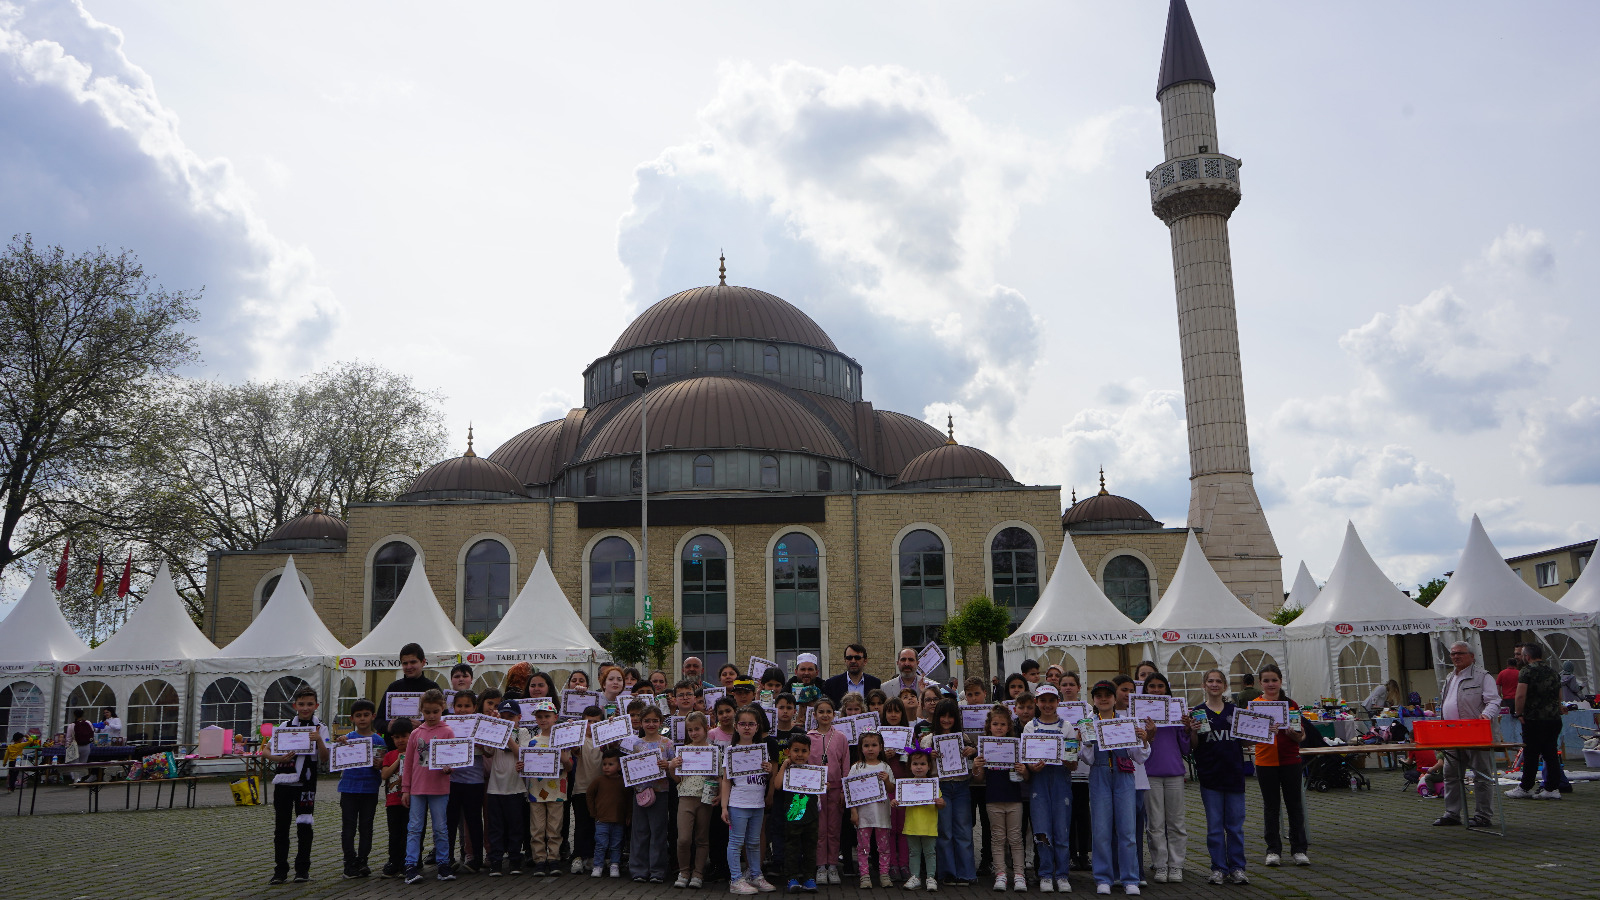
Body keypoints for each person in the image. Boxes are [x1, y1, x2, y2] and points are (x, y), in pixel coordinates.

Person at [1084, 679, 1149, 895]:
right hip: (1100, 775)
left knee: (1127, 829)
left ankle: (1130, 878)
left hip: (1124, 776)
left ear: (1114, 698)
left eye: (1107, 695)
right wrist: (1084, 741)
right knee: (1101, 830)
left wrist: (1144, 740)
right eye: (1099, 695)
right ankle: (1104, 878)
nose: (1103, 699)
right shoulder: (1088, 723)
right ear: (1093, 699)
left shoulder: (1128, 722)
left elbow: (1138, 757)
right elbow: (1087, 759)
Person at [1186, 670, 1247, 886]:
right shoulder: (1197, 712)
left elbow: (1247, 743)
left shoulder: (1235, 711)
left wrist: (1264, 730)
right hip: (1210, 775)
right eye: (1210, 681)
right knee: (1214, 827)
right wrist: (1192, 731)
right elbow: (1193, 746)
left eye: (1218, 681)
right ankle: (1219, 868)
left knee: (1235, 826)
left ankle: (1238, 867)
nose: (1214, 684)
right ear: (1204, 685)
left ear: (1225, 686)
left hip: (1234, 775)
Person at [269, 685, 331, 884]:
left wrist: (319, 740)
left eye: (310, 704)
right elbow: (266, 751)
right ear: (295, 705)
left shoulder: (320, 727)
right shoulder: (284, 726)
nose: (305, 708)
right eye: (302, 704)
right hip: (283, 783)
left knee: (304, 826)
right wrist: (278, 760)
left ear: (316, 705)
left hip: (306, 783)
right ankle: (280, 870)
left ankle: (302, 870)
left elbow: (325, 757)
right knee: (281, 827)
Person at [1433, 642, 1499, 827]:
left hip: (1475, 733)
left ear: (1472, 656)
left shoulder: (1483, 677)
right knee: (1451, 774)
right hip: (1452, 735)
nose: (1455, 657)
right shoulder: (1449, 678)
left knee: (1481, 775)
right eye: (1453, 654)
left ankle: (1483, 816)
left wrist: (1486, 716)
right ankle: (1452, 813)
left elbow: (1494, 701)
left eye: (1460, 653)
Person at [1249, 665, 1308, 867]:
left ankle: (1299, 849)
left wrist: (1294, 734)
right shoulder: (1254, 705)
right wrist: (1264, 730)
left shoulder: (1291, 704)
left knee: (1294, 806)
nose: (1270, 684)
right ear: (1260, 683)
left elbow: (1302, 735)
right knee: (1271, 807)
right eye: (1266, 681)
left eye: (1274, 680)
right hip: (1265, 761)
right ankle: (1273, 850)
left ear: (1280, 681)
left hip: (1290, 760)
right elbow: (1248, 735)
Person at [401, 688, 457, 884]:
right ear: (421, 711)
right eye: (427, 712)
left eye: (435, 711)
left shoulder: (448, 731)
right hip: (417, 789)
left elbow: (453, 760)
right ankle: (410, 865)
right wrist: (405, 789)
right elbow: (408, 764)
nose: (431, 716)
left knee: (441, 828)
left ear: (443, 708)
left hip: (439, 789)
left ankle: (443, 863)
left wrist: (449, 769)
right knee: (415, 828)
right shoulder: (416, 733)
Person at [721, 705, 777, 894]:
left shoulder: (762, 750)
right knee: (736, 842)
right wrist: (724, 807)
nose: (747, 727)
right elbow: (726, 781)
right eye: (743, 724)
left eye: (751, 724)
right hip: (738, 804)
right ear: (736, 726)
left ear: (757, 726)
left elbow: (766, 777)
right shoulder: (731, 751)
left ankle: (755, 875)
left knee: (754, 842)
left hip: (758, 803)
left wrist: (769, 771)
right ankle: (736, 880)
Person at [1025, 684, 1075, 894]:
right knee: (1042, 829)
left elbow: (1073, 763)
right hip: (1039, 783)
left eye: (1051, 700)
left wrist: (1066, 760)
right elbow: (1027, 761)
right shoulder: (1030, 727)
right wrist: (1032, 766)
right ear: (1036, 702)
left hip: (1061, 782)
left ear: (1058, 702)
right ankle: (1045, 874)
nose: (1047, 705)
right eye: (1043, 700)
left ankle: (1062, 874)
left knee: (1062, 830)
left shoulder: (1067, 727)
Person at [1141, 673, 1188, 884]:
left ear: (1167, 690)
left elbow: (1186, 747)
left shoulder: (1176, 712)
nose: (1156, 690)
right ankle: (1160, 864)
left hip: (1174, 773)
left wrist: (1187, 728)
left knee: (1176, 823)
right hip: (1149, 773)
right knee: (1155, 824)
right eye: (1152, 686)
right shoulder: (1139, 713)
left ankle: (1176, 865)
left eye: (1161, 686)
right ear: (1145, 689)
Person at [974, 705, 1027, 892]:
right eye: (995, 724)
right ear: (989, 726)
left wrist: (1024, 770)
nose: (998, 727)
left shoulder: (1016, 746)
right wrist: (976, 767)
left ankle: (1019, 875)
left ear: (1008, 727)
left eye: (1002, 724)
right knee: (997, 838)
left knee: (1015, 838)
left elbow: (1025, 777)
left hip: (1014, 799)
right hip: (993, 799)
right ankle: (1000, 874)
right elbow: (980, 778)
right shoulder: (984, 748)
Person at [1509, 642, 1570, 798]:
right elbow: (1559, 695)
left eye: (1520, 655)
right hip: (1553, 719)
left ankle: (1526, 787)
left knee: (1531, 754)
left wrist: (1519, 713)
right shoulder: (1553, 671)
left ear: (1527, 656)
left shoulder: (1526, 671)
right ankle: (1552, 788)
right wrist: (1558, 707)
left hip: (1533, 719)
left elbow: (1521, 695)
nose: (1519, 657)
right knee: (1551, 754)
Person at [335, 698, 384, 879]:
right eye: (358, 716)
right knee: (348, 828)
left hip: (370, 790)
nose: (362, 719)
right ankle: (349, 862)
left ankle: (363, 861)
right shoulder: (346, 739)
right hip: (348, 789)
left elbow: (381, 765)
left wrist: (380, 764)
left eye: (366, 715)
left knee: (366, 828)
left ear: (373, 716)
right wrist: (340, 745)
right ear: (352, 718)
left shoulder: (379, 740)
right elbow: (337, 759)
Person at [483, 701, 530, 876]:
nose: (507, 720)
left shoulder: (523, 732)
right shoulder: (496, 730)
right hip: (495, 788)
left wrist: (507, 735)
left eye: (511, 717)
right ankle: (496, 860)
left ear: (519, 718)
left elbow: (522, 754)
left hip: (516, 788)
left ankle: (515, 860)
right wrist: (492, 727)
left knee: (515, 827)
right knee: (495, 827)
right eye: (503, 717)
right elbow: (487, 751)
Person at [771, 732, 821, 892]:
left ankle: (809, 878)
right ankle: (791, 878)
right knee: (791, 847)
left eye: (804, 751)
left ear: (809, 751)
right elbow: (777, 785)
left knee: (810, 847)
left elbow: (820, 791)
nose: (800, 754)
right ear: (788, 752)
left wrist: (822, 783)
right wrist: (784, 765)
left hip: (811, 814)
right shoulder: (787, 769)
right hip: (793, 815)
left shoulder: (814, 769)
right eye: (796, 750)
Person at [630, 706, 674, 883]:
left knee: (658, 832)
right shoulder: (637, 744)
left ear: (661, 722)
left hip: (660, 792)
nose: (651, 724)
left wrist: (668, 765)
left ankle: (657, 870)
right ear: (641, 723)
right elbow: (631, 768)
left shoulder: (667, 743)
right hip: (640, 793)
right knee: (640, 831)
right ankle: (639, 869)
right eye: (647, 721)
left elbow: (674, 767)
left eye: (655, 720)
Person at [809, 696, 850, 885]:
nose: (825, 715)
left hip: (835, 789)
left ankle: (833, 865)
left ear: (834, 715)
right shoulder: (809, 737)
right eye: (821, 711)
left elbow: (845, 765)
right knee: (819, 829)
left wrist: (844, 790)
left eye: (828, 712)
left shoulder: (841, 737)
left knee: (834, 828)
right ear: (815, 714)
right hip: (815, 791)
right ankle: (820, 866)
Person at [671, 712, 716, 888]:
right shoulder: (683, 752)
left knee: (702, 838)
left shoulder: (713, 752)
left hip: (705, 799)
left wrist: (718, 794)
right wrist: (672, 767)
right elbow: (677, 779)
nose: (694, 733)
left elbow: (719, 777)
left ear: (706, 729)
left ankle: (698, 873)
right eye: (690, 730)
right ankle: (684, 871)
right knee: (683, 838)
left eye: (697, 729)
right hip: (685, 798)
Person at [849, 731, 896, 889]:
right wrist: (854, 812)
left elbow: (891, 789)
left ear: (881, 747)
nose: (870, 749)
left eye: (874, 745)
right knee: (863, 847)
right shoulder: (856, 767)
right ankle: (865, 875)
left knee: (883, 847)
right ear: (861, 748)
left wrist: (887, 780)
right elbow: (851, 793)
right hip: (864, 815)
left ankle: (884, 874)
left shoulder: (885, 767)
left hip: (881, 814)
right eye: (866, 745)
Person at [445, 691, 486, 873]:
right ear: (453, 708)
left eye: (467, 706)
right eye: (459, 706)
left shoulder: (480, 725)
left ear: (475, 707)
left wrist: (480, 744)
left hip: (474, 781)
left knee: (474, 820)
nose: (462, 710)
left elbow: (489, 751)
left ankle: (476, 858)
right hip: (451, 780)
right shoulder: (447, 725)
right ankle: (446, 859)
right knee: (450, 821)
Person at [896, 746, 944, 891]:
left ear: (929, 766)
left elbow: (941, 803)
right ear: (909, 766)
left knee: (930, 853)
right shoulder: (906, 785)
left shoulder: (933, 785)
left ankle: (930, 878)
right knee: (914, 852)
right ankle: (915, 877)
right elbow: (900, 804)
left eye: (922, 764)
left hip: (929, 826)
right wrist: (895, 803)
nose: (919, 767)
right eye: (915, 764)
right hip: (912, 825)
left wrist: (941, 802)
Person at [569, 706, 607, 873]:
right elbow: (574, 749)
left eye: (596, 722)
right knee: (581, 825)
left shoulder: (604, 741)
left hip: (601, 790)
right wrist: (571, 730)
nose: (591, 725)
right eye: (588, 721)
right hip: (581, 789)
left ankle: (594, 857)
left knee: (597, 825)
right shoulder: (580, 740)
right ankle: (578, 856)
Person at [377, 643, 437, 733]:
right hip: (395, 745)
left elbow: (443, 719)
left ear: (423, 662)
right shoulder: (394, 688)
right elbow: (378, 721)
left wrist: (423, 725)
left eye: (413, 662)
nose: (409, 667)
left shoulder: (433, 688)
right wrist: (387, 726)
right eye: (405, 663)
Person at [589, 747, 630, 878]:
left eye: (610, 764)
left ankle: (614, 865)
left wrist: (629, 815)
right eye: (604, 764)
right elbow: (589, 795)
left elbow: (629, 800)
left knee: (616, 845)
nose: (606, 767)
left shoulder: (624, 782)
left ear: (619, 766)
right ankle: (598, 865)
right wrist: (593, 811)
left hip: (618, 820)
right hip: (602, 820)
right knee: (601, 844)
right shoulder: (598, 781)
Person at [379, 718, 412, 878]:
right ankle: (393, 861)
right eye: (397, 737)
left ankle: (408, 862)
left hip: (411, 801)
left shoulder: (415, 754)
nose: (400, 740)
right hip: (393, 801)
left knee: (409, 832)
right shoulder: (390, 755)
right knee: (394, 833)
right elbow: (385, 774)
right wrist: (399, 760)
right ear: (392, 738)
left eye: (404, 736)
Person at [69, 710, 94, 782]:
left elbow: (68, 737)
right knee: (83, 762)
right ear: (83, 715)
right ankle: (80, 777)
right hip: (86, 745)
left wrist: (68, 745)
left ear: (74, 715)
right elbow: (92, 732)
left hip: (75, 745)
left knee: (74, 763)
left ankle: (76, 779)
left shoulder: (72, 725)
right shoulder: (88, 723)